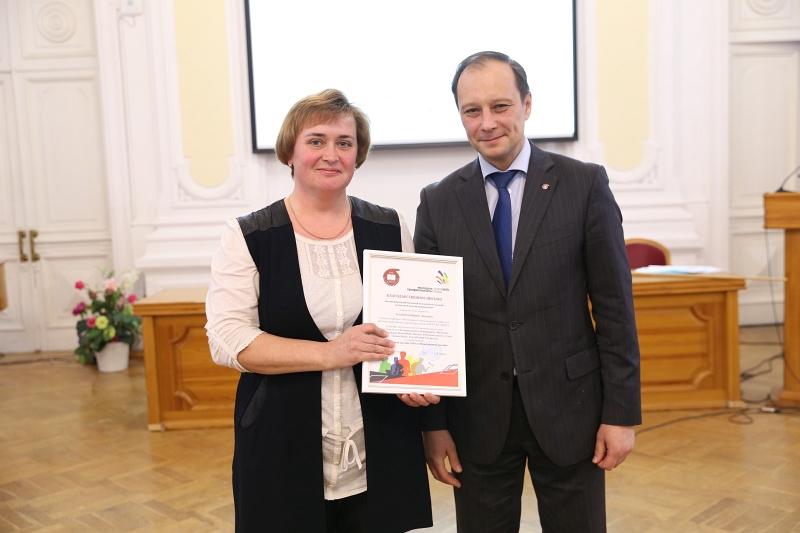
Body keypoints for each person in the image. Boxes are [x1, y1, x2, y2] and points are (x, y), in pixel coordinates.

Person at [411, 51, 642, 532]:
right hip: (476, 418)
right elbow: (431, 324)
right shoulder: (438, 201)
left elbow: (615, 309)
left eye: (500, 106)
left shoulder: (583, 185)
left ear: (527, 104)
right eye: (472, 111)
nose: (487, 123)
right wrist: (435, 426)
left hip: (571, 410)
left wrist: (621, 414)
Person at [205, 89, 434, 533]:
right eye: (316, 141)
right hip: (282, 442)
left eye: (344, 143)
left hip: (380, 441)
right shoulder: (248, 235)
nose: (331, 154)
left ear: (357, 155)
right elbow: (227, 338)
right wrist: (331, 353)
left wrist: (417, 376)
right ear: (290, 152)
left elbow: (409, 325)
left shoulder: (389, 226)